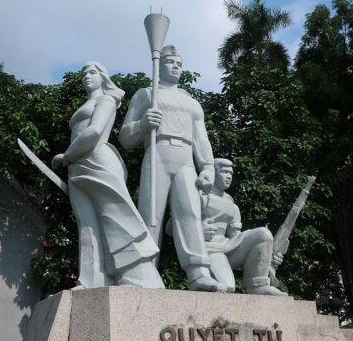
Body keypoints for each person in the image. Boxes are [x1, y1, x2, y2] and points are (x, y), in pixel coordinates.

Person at [119, 45, 224, 292]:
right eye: (170, 62)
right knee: (151, 216)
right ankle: (144, 269)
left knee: (190, 214)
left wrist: (207, 167)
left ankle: (198, 273)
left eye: (179, 63)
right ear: (159, 64)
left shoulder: (191, 102)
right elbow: (125, 137)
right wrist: (143, 125)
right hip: (157, 153)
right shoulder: (146, 94)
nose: (175, 66)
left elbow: (202, 138)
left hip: (186, 158)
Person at [51, 61, 164, 290]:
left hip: (97, 159)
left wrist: (66, 155)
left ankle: (138, 278)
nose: (86, 77)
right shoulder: (88, 102)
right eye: (83, 74)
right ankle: (91, 280)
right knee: (87, 224)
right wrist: (71, 159)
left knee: (115, 218)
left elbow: (93, 132)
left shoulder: (107, 100)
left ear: (103, 77)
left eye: (92, 72)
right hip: (77, 164)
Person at [200, 158, 286, 295]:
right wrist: (198, 231)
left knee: (263, 234)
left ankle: (257, 285)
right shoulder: (199, 197)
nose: (229, 177)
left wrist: (268, 256)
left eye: (231, 173)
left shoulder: (231, 204)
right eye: (225, 172)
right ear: (214, 173)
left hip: (228, 247)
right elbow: (172, 227)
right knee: (227, 287)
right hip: (209, 249)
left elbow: (236, 237)